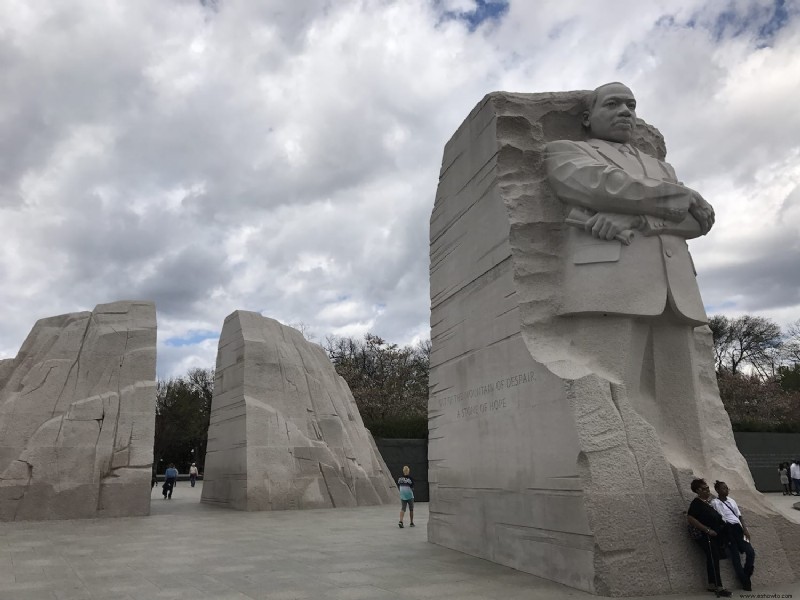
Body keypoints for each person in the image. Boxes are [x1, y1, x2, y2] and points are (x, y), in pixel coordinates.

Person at [545, 82, 716, 465]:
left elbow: (699, 221)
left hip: (675, 288)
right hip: (611, 284)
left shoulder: (661, 168)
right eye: (614, 103)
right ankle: (625, 472)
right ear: (588, 117)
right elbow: (597, 185)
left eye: (631, 105)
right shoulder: (568, 151)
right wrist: (678, 198)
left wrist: (636, 216)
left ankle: (694, 480)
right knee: (609, 393)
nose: (626, 110)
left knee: (684, 403)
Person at [686, 478, 731, 597]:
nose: (707, 491)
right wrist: (707, 530)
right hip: (704, 535)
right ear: (697, 490)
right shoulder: (696, 503)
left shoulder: (708, 502)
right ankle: (719, 586)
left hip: (714, 535)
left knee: (713, 558)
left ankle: (712, 584)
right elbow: (690, 518)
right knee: (713, 557)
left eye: (707, 488)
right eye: (704, 489)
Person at [711, 481, 755, 591]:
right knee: (735, 557)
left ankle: (746, 573)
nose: (726, 490)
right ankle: (745, 581)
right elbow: (717, 519)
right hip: (727, 530)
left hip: (738, 529)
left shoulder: (732, 501)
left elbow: (739, 516)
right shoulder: (714, 503)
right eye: (723, 488)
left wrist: (745, 529)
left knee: (750, 552)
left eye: (727, 488)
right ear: (718, 490)